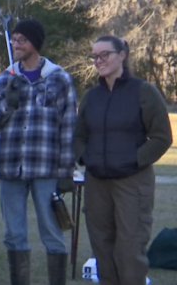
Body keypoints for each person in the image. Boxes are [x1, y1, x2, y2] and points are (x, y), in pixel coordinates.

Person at [0, 18, 77, 285]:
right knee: (14, 234)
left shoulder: (60, 79)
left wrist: (66, 172)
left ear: (35, 43)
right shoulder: (3, 79)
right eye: (13, 39)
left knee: (53, 232)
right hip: (10, 168)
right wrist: (7, 105)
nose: (15, 44)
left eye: (21, 39)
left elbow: (69, 128)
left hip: (46, 169)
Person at [73, 36, 172, 285]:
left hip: (132, 181)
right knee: (102, 248)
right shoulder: (91, 96)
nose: (99, 60)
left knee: (129, 250)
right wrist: (87, 158)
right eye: (95, 56)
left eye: (105, 54)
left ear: (122, 55)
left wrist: (133, 161)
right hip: (97, 182)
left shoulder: (143, 91)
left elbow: (162, 137)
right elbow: (79, 136)